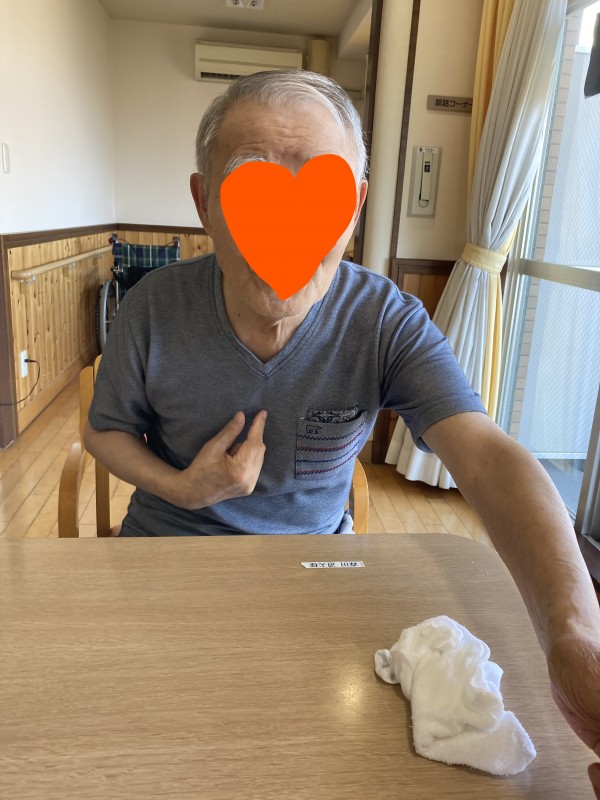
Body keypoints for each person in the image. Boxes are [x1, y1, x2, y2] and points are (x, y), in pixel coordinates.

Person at [84, 70, 600, 794]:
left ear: (352, 208)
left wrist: (575, 633)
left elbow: (485, 457)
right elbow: (104, 432)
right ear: (205, 204)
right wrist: (183, 487)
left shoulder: (385, 320)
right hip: (165, 554)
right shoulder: (152, 306)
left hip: (315, 571)